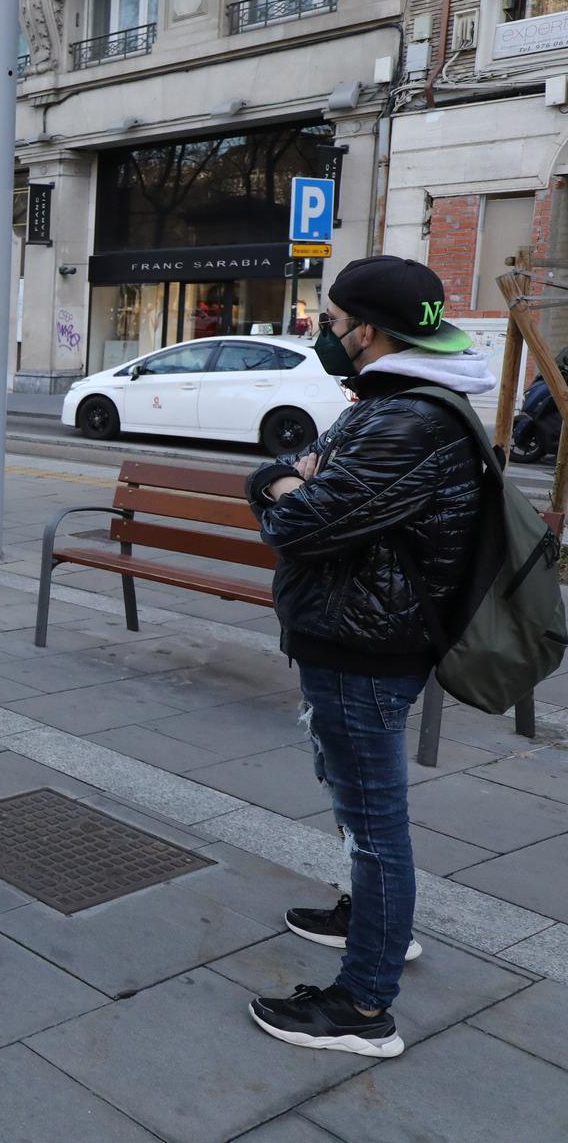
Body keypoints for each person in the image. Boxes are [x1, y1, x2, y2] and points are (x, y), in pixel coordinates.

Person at [243, 256, 493, 1060]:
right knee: (361, 808)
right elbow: (303, 485)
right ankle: (372, 919)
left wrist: (279, 481)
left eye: (331, 318)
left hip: (367, 648)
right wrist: (290, 479)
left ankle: (364, 1003)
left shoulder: (406, 421)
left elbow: (300, 520)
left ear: (367, 331)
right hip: (358, 637)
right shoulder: (391, 405)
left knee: (378, 824)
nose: (324, 331)